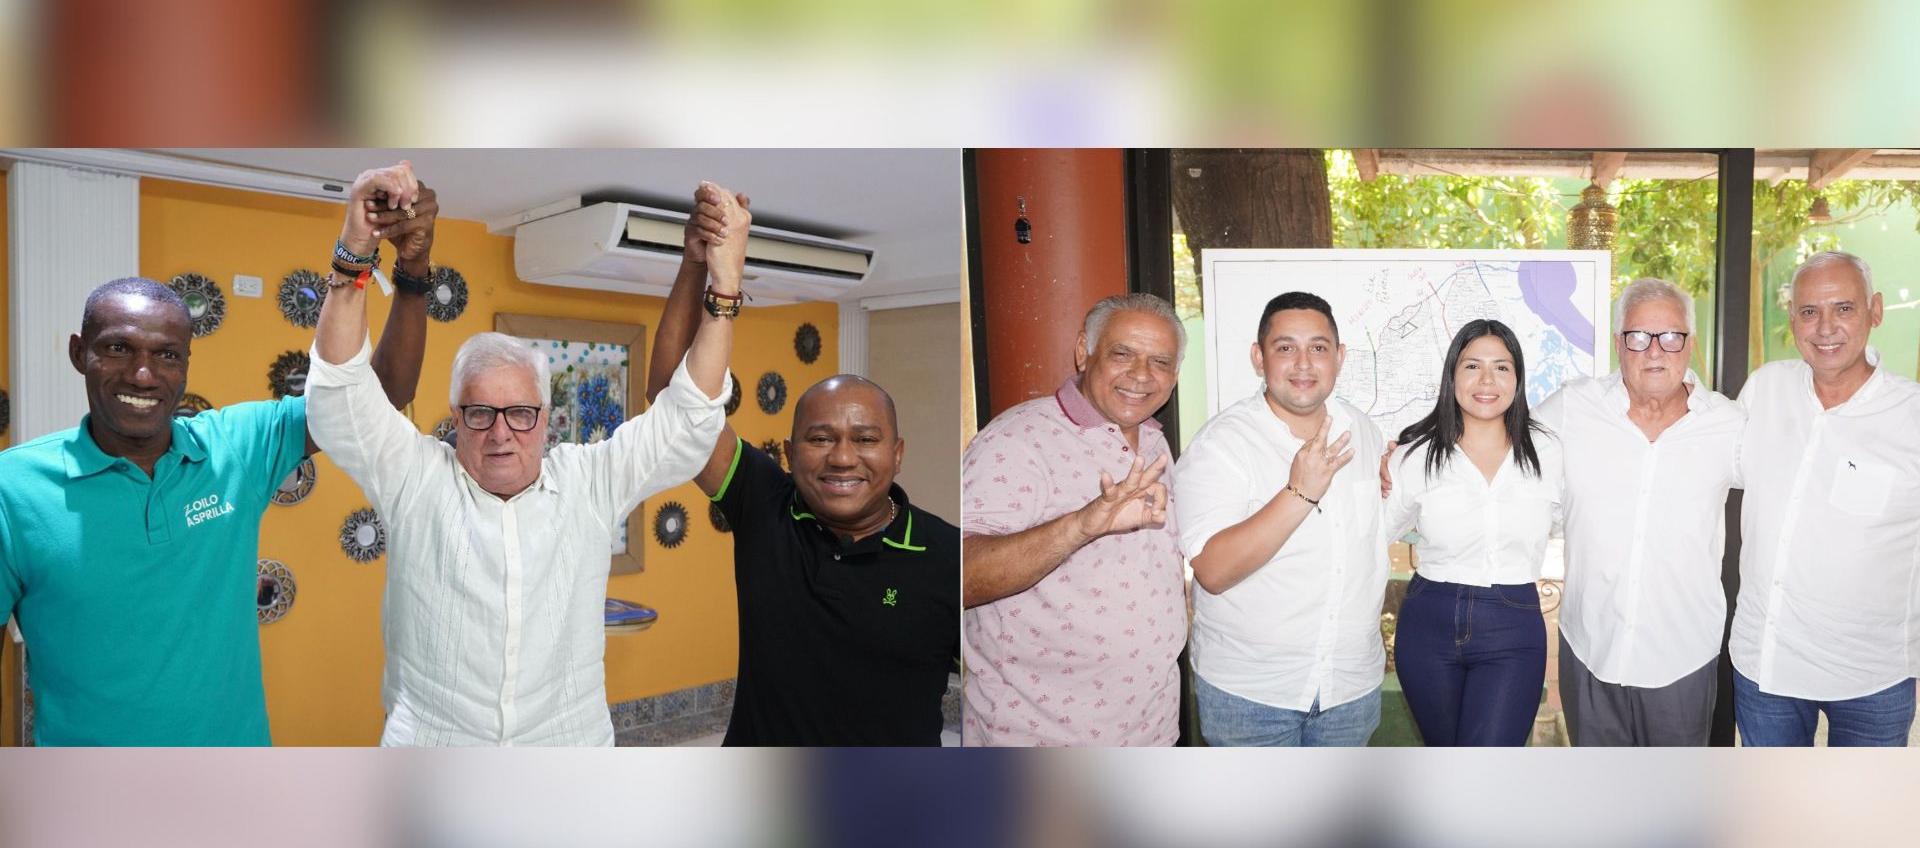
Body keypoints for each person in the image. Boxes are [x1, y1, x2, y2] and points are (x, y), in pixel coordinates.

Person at [0, 162, 436, 745]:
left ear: (186, 364)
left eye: (167, 355)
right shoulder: (13, 490)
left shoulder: (235, 448)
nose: (143, 374)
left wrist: (410, 273)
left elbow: (377, 398)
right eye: (117, 349)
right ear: (80, 354)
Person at [306, 180, 742, 746]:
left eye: (520, 413)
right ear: (457, 418)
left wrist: (724, 285)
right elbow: (339, 400)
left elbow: (689, 423)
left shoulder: (589, 482)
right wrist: (353, 250)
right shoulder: (416, 479)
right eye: (482, 413)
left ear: (547, 418)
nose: (501, 435)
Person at [644, 194, 959, 747]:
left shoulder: (948, 555)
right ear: (788, 452)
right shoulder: (765, 503)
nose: (842, 457)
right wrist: (696, 264)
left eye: (865, 439)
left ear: (898, 454)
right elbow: (673, 405)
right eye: (820, 438)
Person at [962, 293, 1183, 746]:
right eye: (1122, 354)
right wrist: (1083, 525)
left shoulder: (1155, 442)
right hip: (1042, 736)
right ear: (1084, 352)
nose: (1142, 375)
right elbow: (960, 576)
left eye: (1160, 362)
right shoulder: (1017, 441)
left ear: (1175, 375)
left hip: (1151, 728)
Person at [1532, 278, 1742, 746]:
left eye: (1671, 337)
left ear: (1689, 343)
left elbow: (1789, 483)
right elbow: (1504, 453)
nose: (1655, 352)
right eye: (1638, 337)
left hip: (1683, 656)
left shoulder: (1728, 425)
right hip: (1590, 647)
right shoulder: (1573, 407)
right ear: (1617, 344)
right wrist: (1408, 456)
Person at [1175, 291, 1389, 747]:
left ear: (1340, 357)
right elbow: (1212, 571)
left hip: (1349, 688)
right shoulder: (1222, 444)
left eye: (1318, 347)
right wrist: (1300, 492)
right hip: (1250, 694)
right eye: (1285, 347)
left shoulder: (1363, 430)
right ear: (1259, 357)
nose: (1304, 363)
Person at [1732, 250, 1920, 746]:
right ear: (1792, 319)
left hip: (1872, 678)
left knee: (1859, 820)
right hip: (1766, 667)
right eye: (1809, 312)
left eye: (1844, 308)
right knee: (1771, 817)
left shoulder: (1911, 416)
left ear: (1875, 310)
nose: (1826, 327)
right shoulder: (1765, 389)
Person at [1383, 319, 1561, 746]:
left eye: (1501, 367)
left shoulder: (1551, 453)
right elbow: (1368, 535)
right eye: (1472, 366)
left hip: (1512, 624)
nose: (1486, 380)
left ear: (1517, 379)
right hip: (1429, 620)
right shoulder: (1413, 456)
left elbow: (1582, 524)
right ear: (1452, 376)